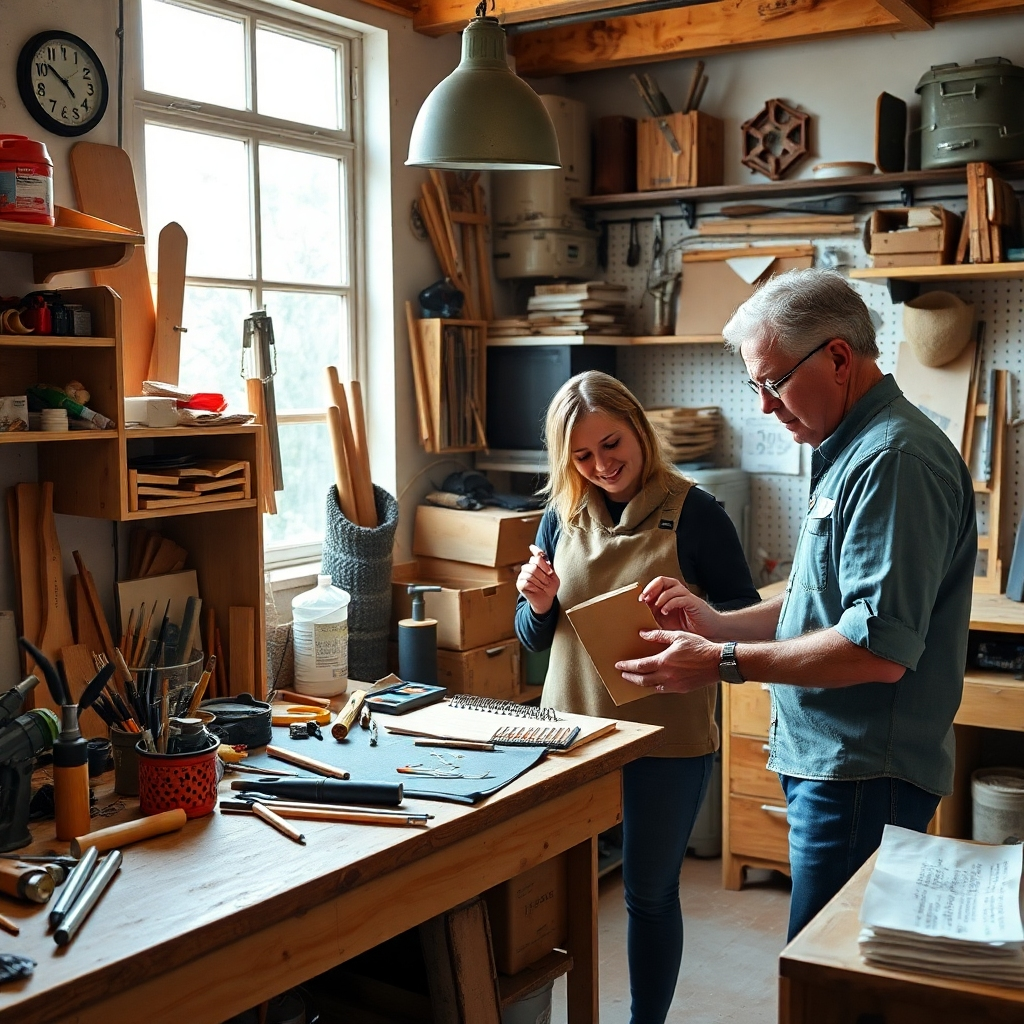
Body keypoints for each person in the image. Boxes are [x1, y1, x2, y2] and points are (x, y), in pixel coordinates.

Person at [616, 268, 977, 942]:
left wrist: (721, 659)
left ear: (838, 358)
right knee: (832, 967)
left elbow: (876, 650)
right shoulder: (850, 450)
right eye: (756, 386)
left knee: (828, 980)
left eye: (774, 382)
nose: (764, 407)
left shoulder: (893, 459)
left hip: (862, 771)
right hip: (835, 764)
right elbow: (822, 604)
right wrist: (717, 621)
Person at [515, 370, 758, 1024]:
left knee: (648, 895)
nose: (602, 465)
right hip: (569, 736)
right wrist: (536, 604)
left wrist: (702, 611)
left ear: (640, 430)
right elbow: (535, 635)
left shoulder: (697, 512)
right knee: (555, 895)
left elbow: (744, 615)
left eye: (612, 444)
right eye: (583, 456)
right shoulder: (560, 515)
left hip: (665, 740)